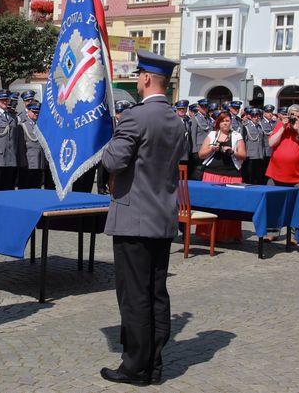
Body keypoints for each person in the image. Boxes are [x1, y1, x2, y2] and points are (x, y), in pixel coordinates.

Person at [100, 50, 186, 386]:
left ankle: (135, 366)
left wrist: (111, 137)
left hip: (134, 217)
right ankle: (154, 362)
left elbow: (113, 161)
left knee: (134, 294)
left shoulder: (137, 117)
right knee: (155, 292)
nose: (137, 80)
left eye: (138, 76)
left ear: (147, 78)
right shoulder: (175, 119)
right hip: (161, 217)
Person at [263, 104, 299, 242]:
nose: (294, 119)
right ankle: (272, 232)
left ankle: (293, 235)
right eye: (292, 116)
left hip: (297, 176)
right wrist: (283, 128)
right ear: (287, 115)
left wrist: (297, 129)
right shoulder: (280, 125)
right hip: (276, 173)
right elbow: (271, 143)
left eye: (297, 117)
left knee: (295, 206)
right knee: (273, 203)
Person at [195, 111, 247, 242]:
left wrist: (232, 152)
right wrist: (212, 149)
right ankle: (208, 233)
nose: (225, 123)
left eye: (228, 120)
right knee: (210, 204)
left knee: (230, 206)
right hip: (212, 174)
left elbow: (243, 155)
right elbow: (201, 154)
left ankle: (229, 234)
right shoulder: (212, 135)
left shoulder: (237, 136)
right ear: (218, 123)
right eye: (223, 120)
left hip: (231, 175)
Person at [17, 100, 46, 189]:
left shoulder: (40, 125)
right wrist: (22, 162)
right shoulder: (22, 125)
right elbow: (20, 146)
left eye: (38, 112)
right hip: (28, 163)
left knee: (36, 186)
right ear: (28, 111)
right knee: (25, 187)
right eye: (34, 112)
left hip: (39, 162)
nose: (36, 114)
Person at [189, 98, 213, 179]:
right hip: (199, 148)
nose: (205, 108)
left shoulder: (208, 118)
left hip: (208, 148)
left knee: (205, 170)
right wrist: (194, 150)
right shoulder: (195, 118)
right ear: (199, 107)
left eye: (206, 107)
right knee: (197, 171)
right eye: (203, 107)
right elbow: (192, 135)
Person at [242, 108, 266, 185]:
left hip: (259, 155)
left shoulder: (260, 126)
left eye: (258, 116)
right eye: (254, 116)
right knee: (249, 176)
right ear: (250, 117)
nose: (256, 118)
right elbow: (243, 140)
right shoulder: (246, 126)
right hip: (250, 155)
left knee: (258, 175)